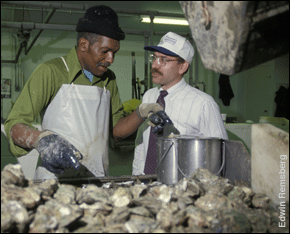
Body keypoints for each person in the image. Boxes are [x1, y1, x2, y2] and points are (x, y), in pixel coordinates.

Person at [4, 5, 162, 180]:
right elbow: (14, 124)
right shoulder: (52, 71)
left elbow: (116, 132)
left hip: (96, 179)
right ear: (83, 44)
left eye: (114, 53)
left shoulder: (109, 79)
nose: (111, 59)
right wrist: (41, 140)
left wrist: (141, 113)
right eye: (105, 51)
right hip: (54, 182)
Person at [133, 31, 228, 175]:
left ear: (182, 67)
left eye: (163, 60)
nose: (154, 65)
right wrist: (137, 175)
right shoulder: (149, 96)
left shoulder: (203, 103)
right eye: (154, 58)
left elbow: (220, 154)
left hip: (180, 187)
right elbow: (142, 141)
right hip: (144, 183)